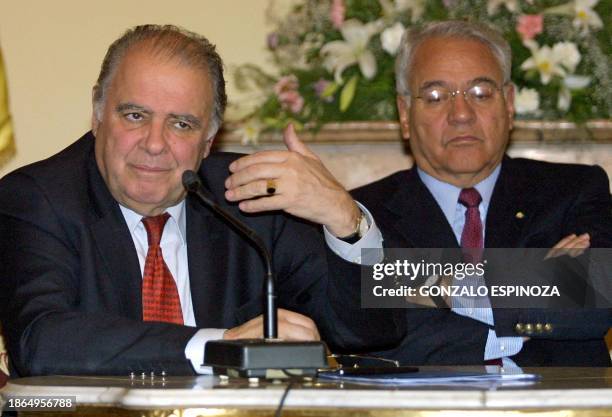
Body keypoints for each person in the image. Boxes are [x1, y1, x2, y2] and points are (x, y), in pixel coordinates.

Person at [0, 24, 402, 377]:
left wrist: (346, 220)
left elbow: (375, 330)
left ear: (209, 140)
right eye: (135, 116)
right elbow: (42, 341)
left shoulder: (249, 201)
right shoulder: (38, 199)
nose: (155, 144)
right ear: (97, 113)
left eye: (181, 124)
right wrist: (219, 347)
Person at [226, 21, 611, 366]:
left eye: (480, 92)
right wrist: (537, 289)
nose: (461, 113)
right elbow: (368, 341)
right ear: (404, 114)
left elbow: (597, 304)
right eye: (436, 95)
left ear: (509, 104)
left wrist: (432, 284)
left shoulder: (575, 189)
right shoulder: (356, 217)